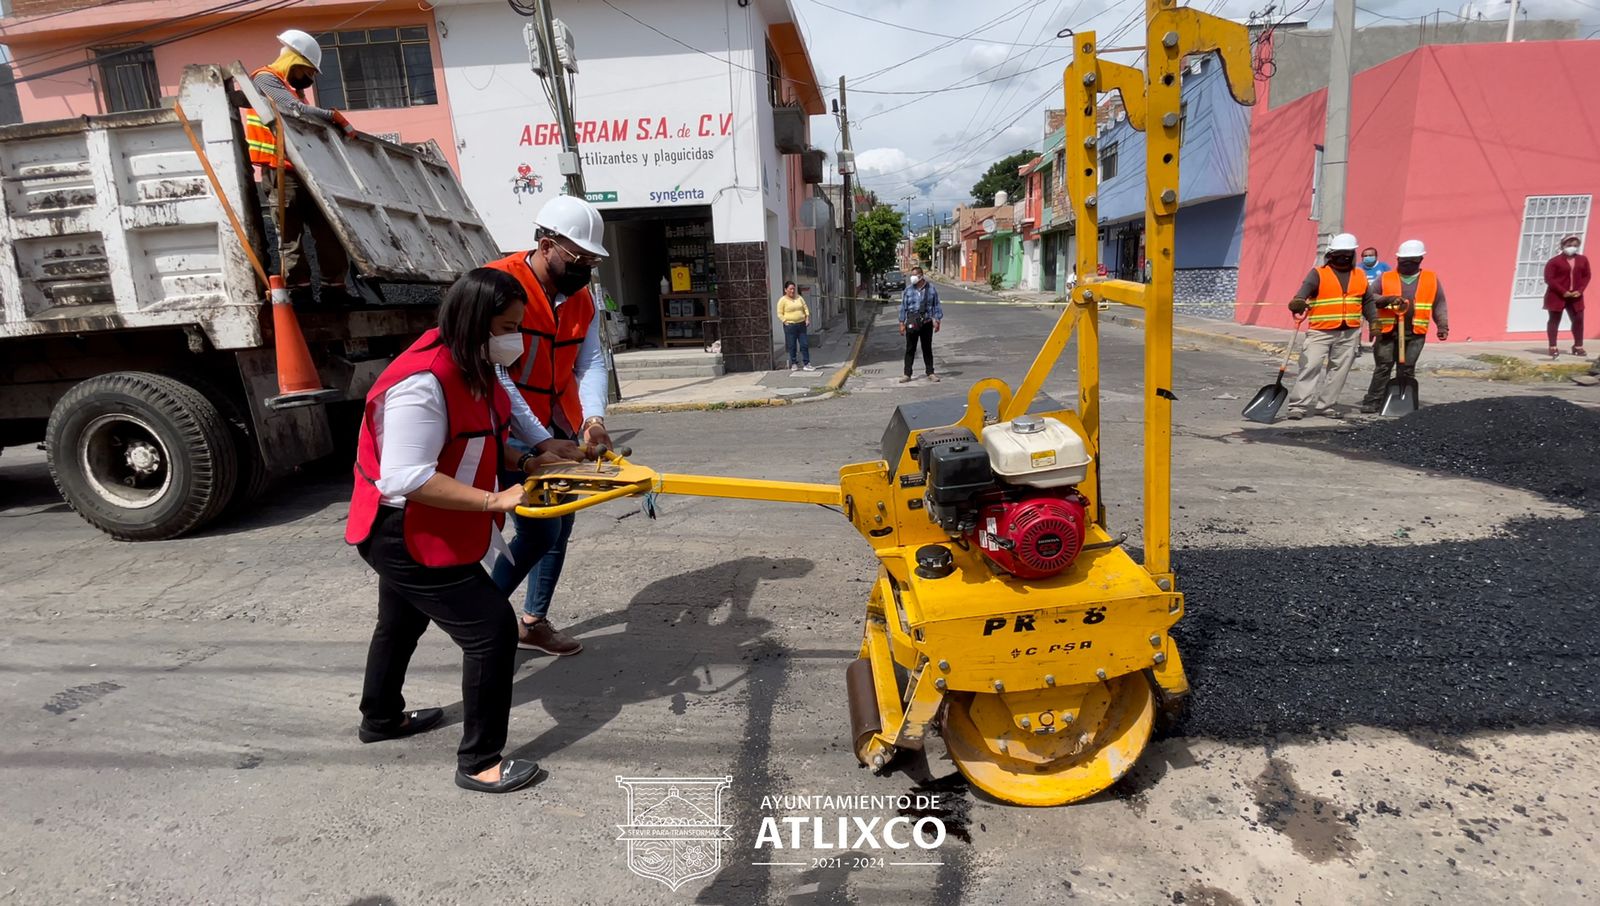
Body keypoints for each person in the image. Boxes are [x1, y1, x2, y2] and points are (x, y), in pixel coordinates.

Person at [346, 268, 581, 794]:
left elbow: (494, 420)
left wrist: (537, 452)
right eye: (505, 325)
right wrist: (495, 499)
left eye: (517, 325)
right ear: (474, 321)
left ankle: (379, 719)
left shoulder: (476, 363)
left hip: (423, 522)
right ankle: (479, 762)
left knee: (400, 625)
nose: (513, 338)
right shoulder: (423, 382)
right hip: (401, 528)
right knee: (491, 631)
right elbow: (406, 476)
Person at [486, 195, 612, 657]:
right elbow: (494, 372)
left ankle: (532, 621)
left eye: (593, 261)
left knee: (559, 524)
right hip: (507, 427)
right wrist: (534, 440)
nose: (587, 269)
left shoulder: (581, 300)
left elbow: (591, 361)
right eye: (580, 258)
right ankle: (483, 618)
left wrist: (593, 421)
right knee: (540, 530)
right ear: (545, 245)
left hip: (555, 430)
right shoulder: (500, 284)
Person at [244, 29, 359, 298]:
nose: (307, 79)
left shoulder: (292, 90)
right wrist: (333, 117)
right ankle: (299, 290)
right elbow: (292, 110)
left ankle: (335, 287)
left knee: (328, 229)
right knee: (290, 235)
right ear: (294, 62)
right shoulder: (265, 79)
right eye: (307, 72)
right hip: (279, 170)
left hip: (305, 171)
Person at [1281, 232, 1380, 420]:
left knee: (1339, 371)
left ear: (1353, 254)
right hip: (1321, 330)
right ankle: (1298, 406)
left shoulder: (1359, 275)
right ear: (1331, 254)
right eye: (1339, 253)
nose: (1343, 256)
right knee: (1310, 366)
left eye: (1347, 253)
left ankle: (1326, 405)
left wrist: (1374, 322)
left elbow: (1367, 301)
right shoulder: (1318, 273)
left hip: (1349, 332)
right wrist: (1298, 302)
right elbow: (1301, 295)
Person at [1360, 239, 1449, 413]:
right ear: (1398, 260)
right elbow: (1370, 297)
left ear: (1420, 260)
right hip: (1387, 331)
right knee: (1383, 366)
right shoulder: (1386, 277)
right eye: (1403, 261)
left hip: (1415, 332)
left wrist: (1442, 326)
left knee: (1407, 367)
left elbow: (1439, 303)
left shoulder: (1430, 278)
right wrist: (1387, 299)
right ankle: (1373, 400)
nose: (1406, 264)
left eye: (1411, 261)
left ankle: (1401, 400)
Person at [1543, 236, 1590, 358]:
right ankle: (1553, 346)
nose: (1572, 248)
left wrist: (1580, 290)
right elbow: (1549, 278)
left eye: (1575, 245)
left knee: (1578, 320)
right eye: (1569, 245)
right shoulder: (1554, 261)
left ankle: (1578, 346)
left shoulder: (1582, 260)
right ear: (1563, 246)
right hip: (1557, 296)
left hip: (1575, 296)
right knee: (1554, 320)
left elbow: (1586, 276)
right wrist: (1563, 291)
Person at [898, 266, 943, 383]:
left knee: (927, 348)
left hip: (926, 323)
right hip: (912, 323)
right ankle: (907, 374)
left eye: (914, 275)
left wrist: (937, 320)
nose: (912, 278)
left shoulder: (931, 289)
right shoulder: (908, 290)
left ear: (921, 276)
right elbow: (903, 307)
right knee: (910, 349)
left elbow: (936, 305)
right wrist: (901, 323)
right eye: (911, 275)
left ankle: (930, 372)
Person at [777, 281, 815, 372]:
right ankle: (794, 363)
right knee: (792, 345)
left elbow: (805, 308)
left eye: (794, 289)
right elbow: (779, 313)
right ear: (785, 290)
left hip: (801, 324)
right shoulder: (783, 300)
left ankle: (807, 363)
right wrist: (785, 321)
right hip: (790, 325)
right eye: (790, 289)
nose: (792, 291)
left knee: (804, 344)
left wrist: (807, 318)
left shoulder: (799, 298)